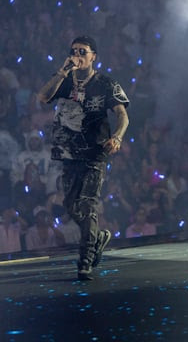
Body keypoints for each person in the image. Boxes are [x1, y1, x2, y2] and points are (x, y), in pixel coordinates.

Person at [37, 35, 129, 280]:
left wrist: (117, 137)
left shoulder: (105, 83)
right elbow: (43, 97)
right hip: (68, 153)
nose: (77, 55)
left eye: (82, 51)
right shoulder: (64, 80)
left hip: (94, 153)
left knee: (88, 205)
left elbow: (122, 115)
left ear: (93, 56)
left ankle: (85, 259)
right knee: (70, 204)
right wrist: (62, 72)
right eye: (74, 51)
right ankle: (97, 237)